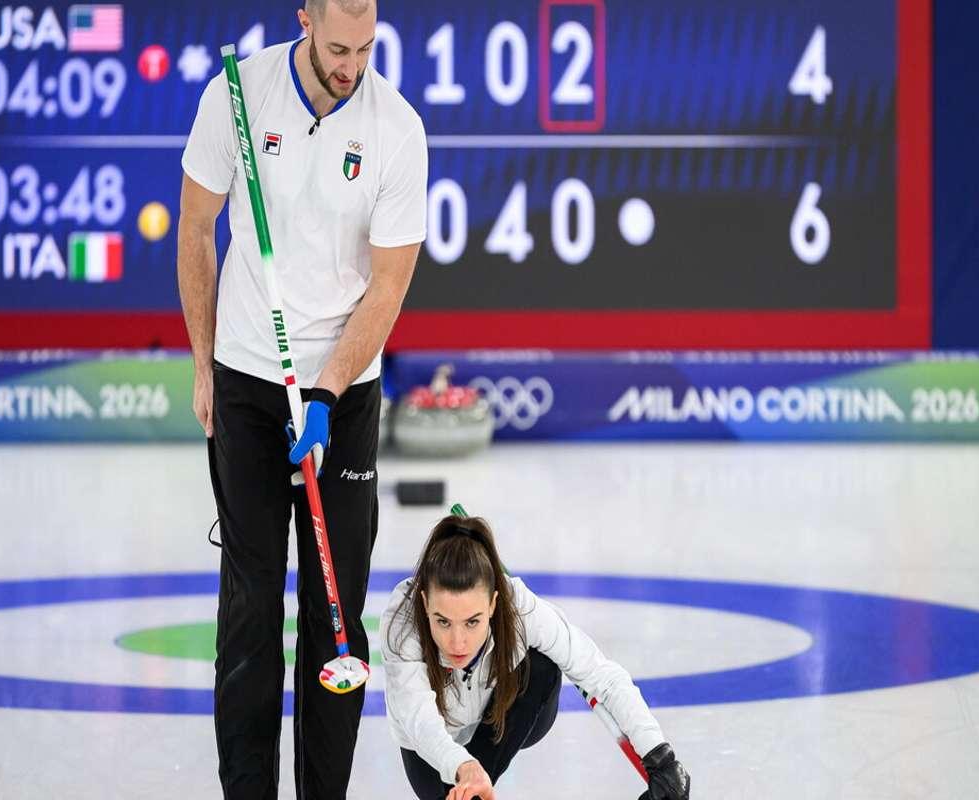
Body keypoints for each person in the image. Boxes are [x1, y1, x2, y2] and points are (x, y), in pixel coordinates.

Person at [176, 0, 427, 795]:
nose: (352, 66)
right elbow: (195, 227)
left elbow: (388, 286)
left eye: (366, 48)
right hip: (249, 383)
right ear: (305, 21)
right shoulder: (238, 95)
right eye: (338, 48)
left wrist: (325, 392)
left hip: (342, 397)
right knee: (251, 605)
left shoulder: (397, 129)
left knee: (335, 612)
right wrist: (204, 362)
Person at [380, 512, 692, 800]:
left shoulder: (520, 608)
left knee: (540, 665)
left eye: (473, 622)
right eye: (443, 622)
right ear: (425, 603)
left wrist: (660, 757)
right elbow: (419, 719)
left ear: (493, 604)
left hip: (505, 718)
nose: (457, 642)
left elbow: (601, 675)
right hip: (435, 746)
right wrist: (464, 766)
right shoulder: (402, 622)